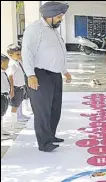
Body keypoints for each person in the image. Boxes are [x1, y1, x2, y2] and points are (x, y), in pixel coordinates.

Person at [22, 1, 72, 152]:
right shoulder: (34, 29)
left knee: (55, 108)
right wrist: (30, 74)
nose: (60, 19)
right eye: (58, 17)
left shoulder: (53, 30)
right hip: (39, 75)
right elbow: (27, 53)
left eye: (61, 16)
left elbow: (58, 53)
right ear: (48, 16)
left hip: (55, 75)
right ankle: (44, 143)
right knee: (42, 110)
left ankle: (51, 135)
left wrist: (64, 71)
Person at [7, 45, 30, 127]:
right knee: (14, 106)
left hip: (21, 86)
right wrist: (12, 89)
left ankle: (19, 116)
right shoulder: (12, 65)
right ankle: (14, 123)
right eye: (18, 54)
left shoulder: (18, 62)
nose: (20, 56)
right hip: (16, 88)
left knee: (19, 103)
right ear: (11, 55)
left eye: (20, 54)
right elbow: (10, 77)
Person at [1, 54, 13, 140]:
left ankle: (2, 129)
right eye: (6, 64)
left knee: (2, 114)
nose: (8, 66)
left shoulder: (3, 72)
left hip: (4, 95)